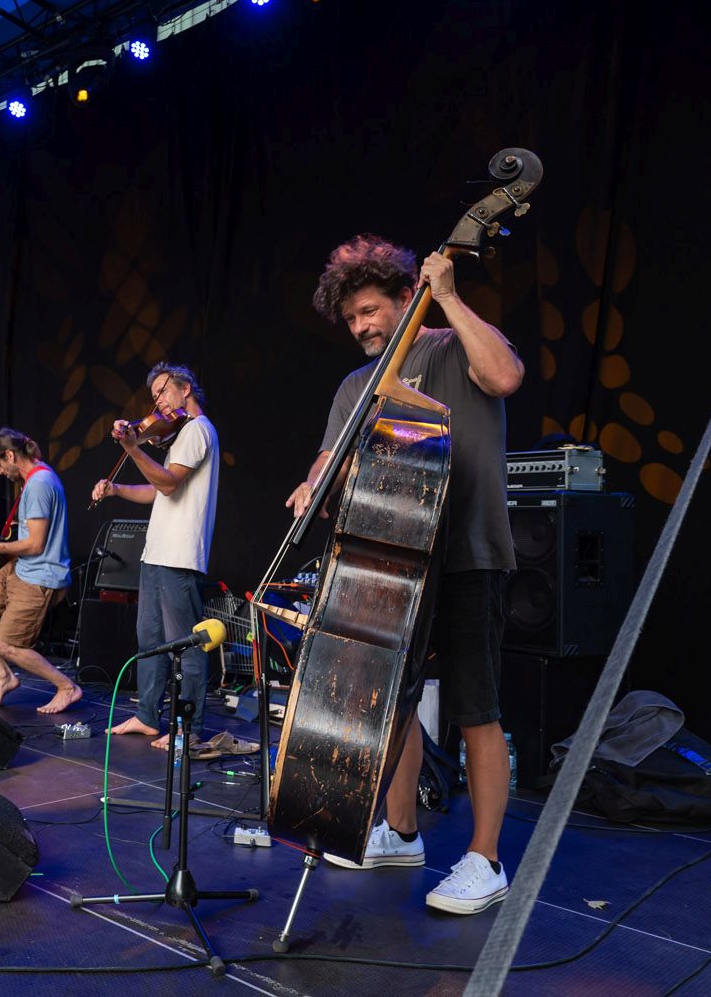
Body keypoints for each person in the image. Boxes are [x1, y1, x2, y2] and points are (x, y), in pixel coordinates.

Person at [285, 233, 523, 915]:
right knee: (395, 701)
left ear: (402, 296)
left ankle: (485, 860)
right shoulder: (355, 387)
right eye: (351, 318)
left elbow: (504, 378)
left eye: (369, 310)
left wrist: (447, 296)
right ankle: (401, 833)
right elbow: (329, 459)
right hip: (393, 562)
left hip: (468, 551)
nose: (361, 326)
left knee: (477, 708)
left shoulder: (451, 346)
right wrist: (313, 483)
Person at [91, 362, 220, 753]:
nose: (158, 402)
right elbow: (155, 491)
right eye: (154, 396)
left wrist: (132, 447)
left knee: (186, 643)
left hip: (180, 554)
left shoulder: (197, 429)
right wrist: (116, 490)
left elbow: (167, 484)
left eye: (162, 391)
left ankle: (188, 728)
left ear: (185, 388)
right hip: (157, 552)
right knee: (149, 640)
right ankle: (148, 716)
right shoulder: (178, 436)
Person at [0, 428, 82, 714]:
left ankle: (67, 687)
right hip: (21, 568)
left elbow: (36, 544)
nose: (0, 472)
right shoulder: (34, 479)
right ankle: (4, 676)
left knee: (6, 645)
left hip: (39, 577)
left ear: (11, 455)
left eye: (0, 464)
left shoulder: (39, 484)